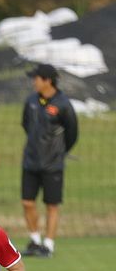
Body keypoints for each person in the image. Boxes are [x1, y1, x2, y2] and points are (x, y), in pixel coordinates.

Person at [20, 63, 78, 258]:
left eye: (36, 78)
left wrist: (59, 152)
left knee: (51, 204)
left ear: (47, 80)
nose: (33, 82)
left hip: (53, 164)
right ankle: (35, 240)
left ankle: (49, 245)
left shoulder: (63, 104)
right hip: (30, 162)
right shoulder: (31, 101)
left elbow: (72, 133)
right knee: (27, 202)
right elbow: (27, 125)